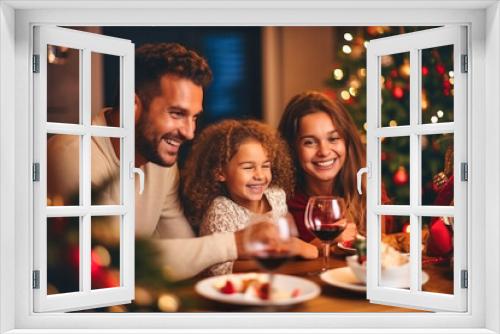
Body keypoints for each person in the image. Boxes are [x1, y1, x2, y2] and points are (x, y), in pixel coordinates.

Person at [47, 43, 270, 281]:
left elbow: (181, 248)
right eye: (177, 114)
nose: (189, 132)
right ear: (131, 107)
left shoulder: (160, 163)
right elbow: (113, 260)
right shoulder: (72, 153)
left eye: (194, 117)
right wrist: (235, 243)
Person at [182, 119, 318, 276]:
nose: (260, 175)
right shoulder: (221, 211)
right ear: (220, 172)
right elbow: (218, 269)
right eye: (248, 167)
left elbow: (292, 246)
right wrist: (279, 255)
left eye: (265, 166)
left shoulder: (276, 196)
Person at [278, 91, 366, 244]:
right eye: (309, 142)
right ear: (291, 148)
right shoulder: (280, 203)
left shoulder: (366, 188)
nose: (324, 152)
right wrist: (327, 243)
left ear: (347, 142)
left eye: (333, 139)